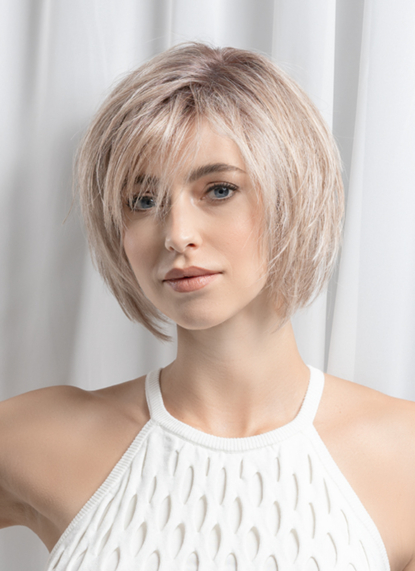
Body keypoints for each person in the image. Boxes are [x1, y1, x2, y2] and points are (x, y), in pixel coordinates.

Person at [0, 42, 414, 571]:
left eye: (218, 190)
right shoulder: (37, 438)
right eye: (142, 201)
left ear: (294, 194)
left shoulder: (403, 456)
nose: (177, 234)